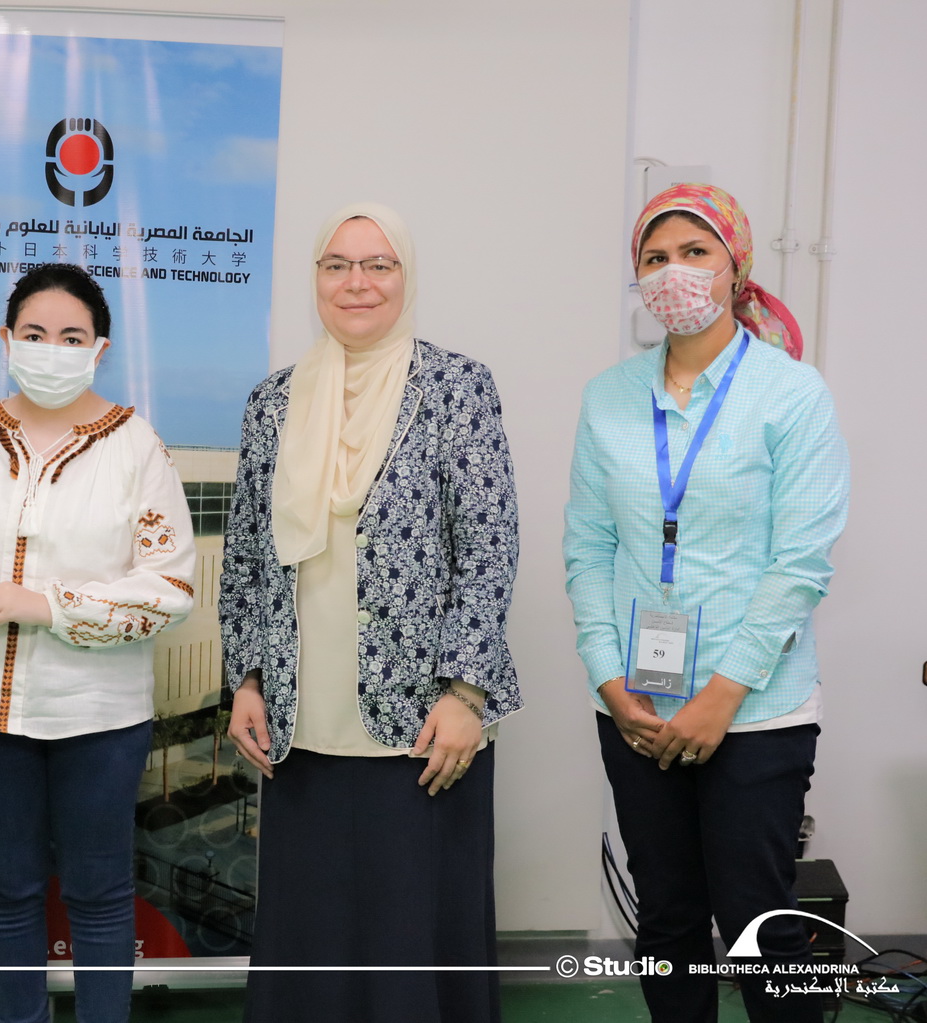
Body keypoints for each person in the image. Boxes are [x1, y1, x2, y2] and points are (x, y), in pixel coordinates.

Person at [219, 202, 521, 1023]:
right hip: (299, 720)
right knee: (309, 930)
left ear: (405, 276)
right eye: (337, 264)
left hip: (423, 720)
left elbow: (488, 545)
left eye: (377, 264)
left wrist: (464, 693)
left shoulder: (455, 386)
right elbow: (245, 553)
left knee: (412, 929)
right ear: (316, 278)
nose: (357, 282)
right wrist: (245, 680)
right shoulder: (273, 401)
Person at [563, 183, 849, 1023]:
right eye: (654, 258)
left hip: (756, 707)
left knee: (761, 925)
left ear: (735, 267)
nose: (673, 273)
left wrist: (721, 695)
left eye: (694, 252)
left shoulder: (791, 393)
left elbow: (799, 564)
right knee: (666, 915)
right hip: (635, 706)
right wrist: (609, 679)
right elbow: (587, 547)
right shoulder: (608, 395)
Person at [0, 263, 196, 1023]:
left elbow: (170, 588)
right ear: (6, 340)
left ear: (100, 348)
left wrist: (47, 605)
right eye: (35, 333)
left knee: (99, 891)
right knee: (5, 888)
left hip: (99, 712)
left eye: (72, 336)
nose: (52, 349)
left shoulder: (136, 447)